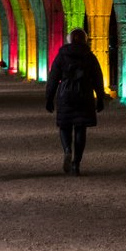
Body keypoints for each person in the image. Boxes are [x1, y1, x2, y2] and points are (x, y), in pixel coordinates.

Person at [45, 28, 105, 176]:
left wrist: (49, 98)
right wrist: (100, 98)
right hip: (84, 94)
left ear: (69, 40)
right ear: (85, 40)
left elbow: (53, 78)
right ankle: (76, 163)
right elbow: (97, 78)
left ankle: (67, 150)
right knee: (80, 128)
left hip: (65, 94)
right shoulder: (89, 56)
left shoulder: (61, 56)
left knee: (65, 125)